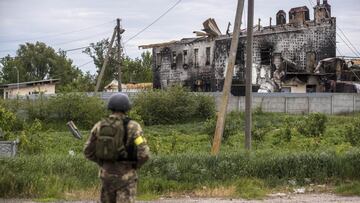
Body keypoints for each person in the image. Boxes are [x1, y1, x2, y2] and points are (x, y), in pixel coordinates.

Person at [84, 93, 150, 203]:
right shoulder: (134, 127)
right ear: (127, 108)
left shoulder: (99, 126)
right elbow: (144, 153)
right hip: (126, 177)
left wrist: (103, 162)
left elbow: (88, 151)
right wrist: (134, 166)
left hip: (106, 177)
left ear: (110, 107)